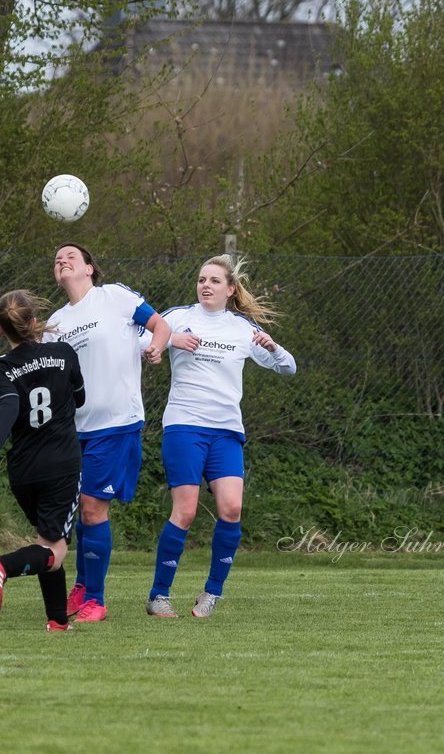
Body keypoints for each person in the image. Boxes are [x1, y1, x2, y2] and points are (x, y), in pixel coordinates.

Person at [147, 254, 296, 618]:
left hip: (227, 431)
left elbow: (288, 367)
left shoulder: (242, 328)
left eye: (214, 281)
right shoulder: (177, 318)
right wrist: (169, 341)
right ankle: (159, 596)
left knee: (232, 509)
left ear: (230, 290)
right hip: (185, 424)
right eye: (201, 279)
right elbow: (136, 341)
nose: (205, 286)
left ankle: (212, 593)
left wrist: (273, 347)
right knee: (185, 511)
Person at [48, 242, 171, 622]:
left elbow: (160, 325)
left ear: (89, 268)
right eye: (57, 259)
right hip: (74, 430)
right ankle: (83, 588)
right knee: (83, 512)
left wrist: (158, 347)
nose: (63, 260)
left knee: (92, 507)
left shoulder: (113, 297)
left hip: (115, 423)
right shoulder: (55, 324)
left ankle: (96, 601)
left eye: (71, 256)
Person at [0, 290, 85, 631]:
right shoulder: (63, 352)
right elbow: (80, 397)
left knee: (47, 540)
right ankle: (3, 566)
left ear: (0, 329)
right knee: (55, 550)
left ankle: (57, 621)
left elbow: (10, 403)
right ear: (33, 323)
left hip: (24, 469)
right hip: (61, 464)